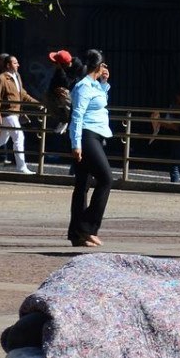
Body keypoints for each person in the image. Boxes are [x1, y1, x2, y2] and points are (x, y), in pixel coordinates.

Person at [67, 50, 113, 247]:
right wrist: (76, 144)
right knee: (106, 178)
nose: (106, 69)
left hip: (97, 134)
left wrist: (103, 83)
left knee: (82, 185)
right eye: (104, 65)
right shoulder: (83, 87)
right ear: (98, 65)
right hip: (86, 135)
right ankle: (87, 227)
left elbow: (102, 102)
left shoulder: (95, 85)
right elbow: (77, 116)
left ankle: (76, 234)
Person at [45, 50, 76, 135]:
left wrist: (65, 89)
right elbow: (53, 85)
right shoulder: (58, 72)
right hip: (59, 98)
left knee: (64, 93)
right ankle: (63, 120)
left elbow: (70, 84)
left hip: (75, 97)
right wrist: (56, 90)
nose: (53, 64)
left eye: (55, 63)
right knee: (48, 95)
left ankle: (73, 119)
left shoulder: (77, 69)